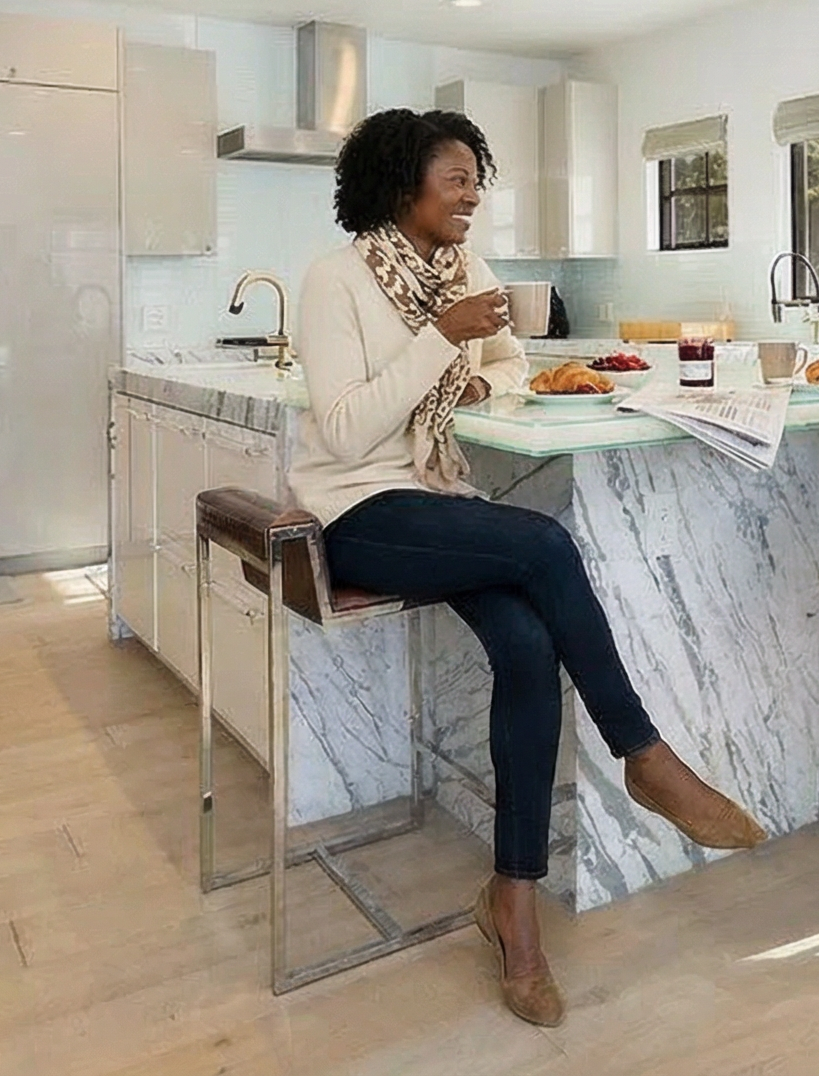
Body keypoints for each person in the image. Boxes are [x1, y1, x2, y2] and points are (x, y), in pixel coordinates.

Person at [289, 106, 766, 1027]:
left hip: (433, 502)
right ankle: (647, 755)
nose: (473, 195)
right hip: (353, 511)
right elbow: (345, 430)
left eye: (478, 177)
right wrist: (440, 341)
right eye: (455, 178)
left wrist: (473, 373)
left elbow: (512, 363)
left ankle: (513, 907)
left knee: (523, 641)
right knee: (544, 544)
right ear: (401, 187)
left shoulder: (465, 272)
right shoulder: (335, 280)